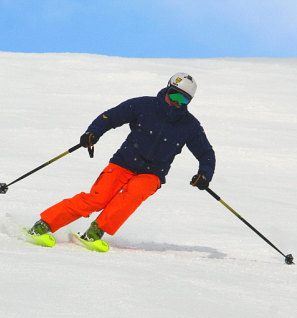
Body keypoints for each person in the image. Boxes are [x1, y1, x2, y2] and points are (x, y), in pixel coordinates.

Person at [28, 72, 216, 242]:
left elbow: (206, 153)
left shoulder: (189, 126)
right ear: (167, 89)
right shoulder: (143, 105)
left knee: (133, 195)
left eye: (183, 100)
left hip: (152, 174)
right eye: (174, 95)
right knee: (97, 200)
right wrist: (93, 133)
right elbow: (111, 117)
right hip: (123, 164)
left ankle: (95, 232)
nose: (176, 103)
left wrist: (204, 175)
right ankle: (44, 225)